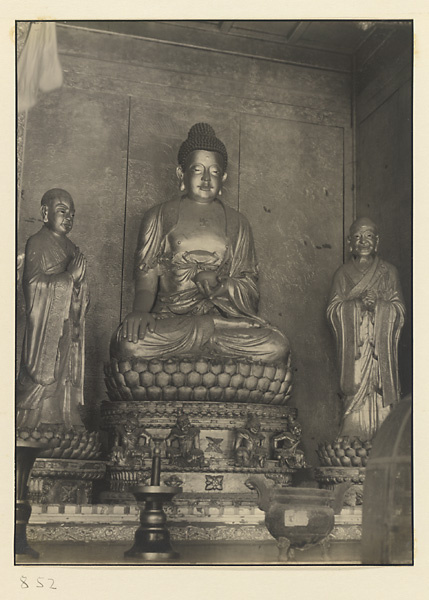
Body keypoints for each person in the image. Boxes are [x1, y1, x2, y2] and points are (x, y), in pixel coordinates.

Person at [111, 123, 289, 364]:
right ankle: (211, 354)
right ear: (181, 173)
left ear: (224, 177)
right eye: (197, 169)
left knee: (276, 345)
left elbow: (250, 285)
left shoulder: (238, 223)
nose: (206, 179)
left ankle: (204, 343)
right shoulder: (159, 216)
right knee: (129, 344)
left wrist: (223, 285)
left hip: (225, 324)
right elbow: (146, 277)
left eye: (214, 172)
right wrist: (140, 312)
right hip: (172, 322)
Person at [16, 189, 89, 431]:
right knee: (48, 366)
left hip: (66, 321)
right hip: (44, 324)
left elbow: (80, 292)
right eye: (62, 211)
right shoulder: (36, 242)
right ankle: (35, 419)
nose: (68, 217)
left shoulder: (71, 247)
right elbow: (32, 285)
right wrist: (69, 277)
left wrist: (78, 286)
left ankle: (60, 417)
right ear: (45, 213)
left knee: (64, 368)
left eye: (72, 214)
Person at [327, 217, 405, 440]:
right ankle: (352, 432)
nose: (363, 241)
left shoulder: (389, 272)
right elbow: (333, 309)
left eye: (368, 236)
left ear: (377, 241)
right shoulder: (342, 274)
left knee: (381, 391)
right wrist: (358, 306)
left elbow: (399, 309)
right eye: (358, 236)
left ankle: (385, 435)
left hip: (380, 352)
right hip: (356, 353)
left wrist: (380, 306)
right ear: (350, 242)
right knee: (355, 386)